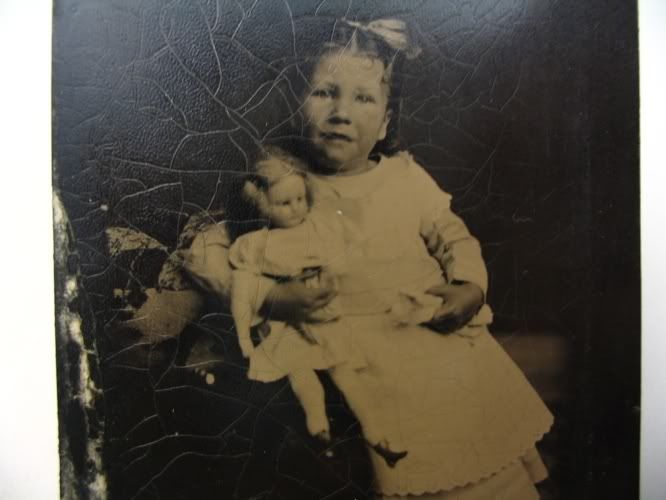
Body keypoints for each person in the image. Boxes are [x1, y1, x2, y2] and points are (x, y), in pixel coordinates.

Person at [185, 18, 553, 500]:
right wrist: (273, 298)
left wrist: (469, 286)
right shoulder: (280, 180)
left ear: (384, 124)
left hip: (430, 346)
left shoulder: (404, 179)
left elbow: (454, 239)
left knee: (486, 472)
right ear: (296, 103)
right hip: (357, 367)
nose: (342, 112)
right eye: (324, 93)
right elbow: (203, 250)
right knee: (397, 475)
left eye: (364, 98)